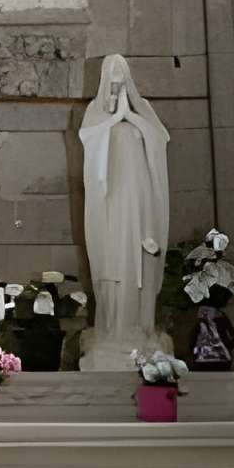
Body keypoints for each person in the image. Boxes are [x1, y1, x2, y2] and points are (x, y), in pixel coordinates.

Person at [78, 54, 169, 370]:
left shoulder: (142, 110)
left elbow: (160, 139)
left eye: (122, 79)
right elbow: (89, 141)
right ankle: (113, 327)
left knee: (140, 261)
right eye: (112, 80)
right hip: (113, 201)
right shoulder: (95, 111)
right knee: (114, 259)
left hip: (139, 199)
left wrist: (131, 116)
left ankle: (140, 327)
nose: (117, 86)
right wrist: (114, 118)